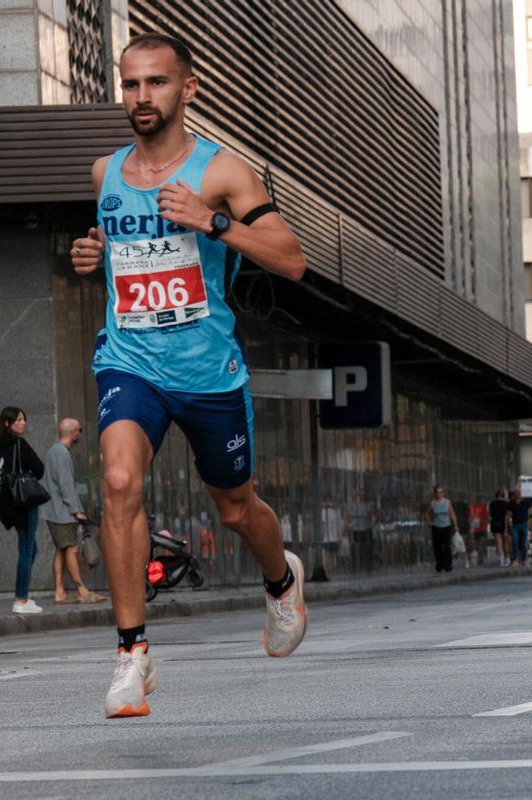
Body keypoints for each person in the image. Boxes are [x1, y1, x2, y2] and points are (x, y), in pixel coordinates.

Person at [67, 33, 308, 717]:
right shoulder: (104, 173)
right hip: (130, 359)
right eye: (132, 84)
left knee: (235, 508)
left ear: (188, 89)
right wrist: (94, 252)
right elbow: (121, 249)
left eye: (157, 83)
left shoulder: (222, 171)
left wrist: (213, 220)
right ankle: (131, 654)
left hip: (207, 372)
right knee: (117, 481)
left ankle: (279, 578)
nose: (142, 97)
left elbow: (291, 260)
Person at [39, 418, 106, 604]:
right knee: (71, 548)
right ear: (71, 432)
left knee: (61, 550)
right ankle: (82, 590)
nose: (80, 433)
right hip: (62, 512)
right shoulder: (60, 453)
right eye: (79, 429)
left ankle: (60, 592)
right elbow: (65, 485)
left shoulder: (56, 451)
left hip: (55, 511)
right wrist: (77, 510)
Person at [0, 407, 46, 614]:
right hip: (24, 501)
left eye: (24, 419)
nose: (23, 423)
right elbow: (39, 469)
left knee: (31, 549)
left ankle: (23, 595)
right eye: (19, 420)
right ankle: (21, 599)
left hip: (8, 503)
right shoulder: (19, 444)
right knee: (26, 549)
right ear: (7, 423)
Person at [424, 486, 457, 573]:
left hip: (447, 526)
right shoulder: (433, 503)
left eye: (441, 492)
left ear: (443, 493)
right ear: (435, 493)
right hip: (436, 527)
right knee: (437, 547)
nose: (439, 494)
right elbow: (426, 513)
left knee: (447, 546)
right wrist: (429, 522)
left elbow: (452, 514)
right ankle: (439, 565)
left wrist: (456, 525)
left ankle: (448, 565)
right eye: (437, 492)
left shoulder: (447, 502)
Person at [488, 488, 512, 567]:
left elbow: (490, 514)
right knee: (505, 542)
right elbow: (507, 515)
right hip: (504, 523)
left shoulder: (492, 504)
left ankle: (501, 559)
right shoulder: (506, 504)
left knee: (499, 542)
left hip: (495, 523)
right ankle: (507, 558)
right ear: (503, 495)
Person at [508, 488, 531, 566]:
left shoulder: (526, 502)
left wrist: (530, 523)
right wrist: (507, 526)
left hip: (524, 524)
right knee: (515, 542)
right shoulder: (511, 503)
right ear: (514, 494)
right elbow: (509, 514)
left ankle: (524, 559)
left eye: (519, 492)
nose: (518, 494)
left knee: (524, 543)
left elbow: (529, 513)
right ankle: (515, 559)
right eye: (516, 492)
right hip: (515, 525)